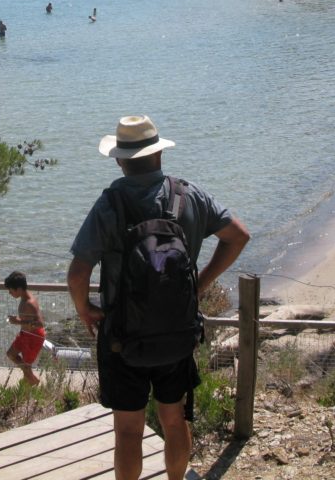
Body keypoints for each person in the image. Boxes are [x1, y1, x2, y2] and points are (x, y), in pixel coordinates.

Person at [67, 115, 250, 480]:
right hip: (178, 332)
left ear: (119, 160)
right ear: (159, 155)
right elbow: (238, 235)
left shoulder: (110, 204)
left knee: (129, 430)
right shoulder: (188, 195)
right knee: (174, 417)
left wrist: (86, 310)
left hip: (123, 337)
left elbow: (78, 274)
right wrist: (200, 284)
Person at [4, 270, 46, 386]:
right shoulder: (23, 297)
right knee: (11, 354)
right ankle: (32, 379)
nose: (9, 293)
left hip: (34, 337)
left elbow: (40, 323)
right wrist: (19, 321)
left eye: (10, 290)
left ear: (19, 289)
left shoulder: (29, 302)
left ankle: (30, 384)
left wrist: (19, 321)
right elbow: (30, 319)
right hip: (25, 334)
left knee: (26, 366)